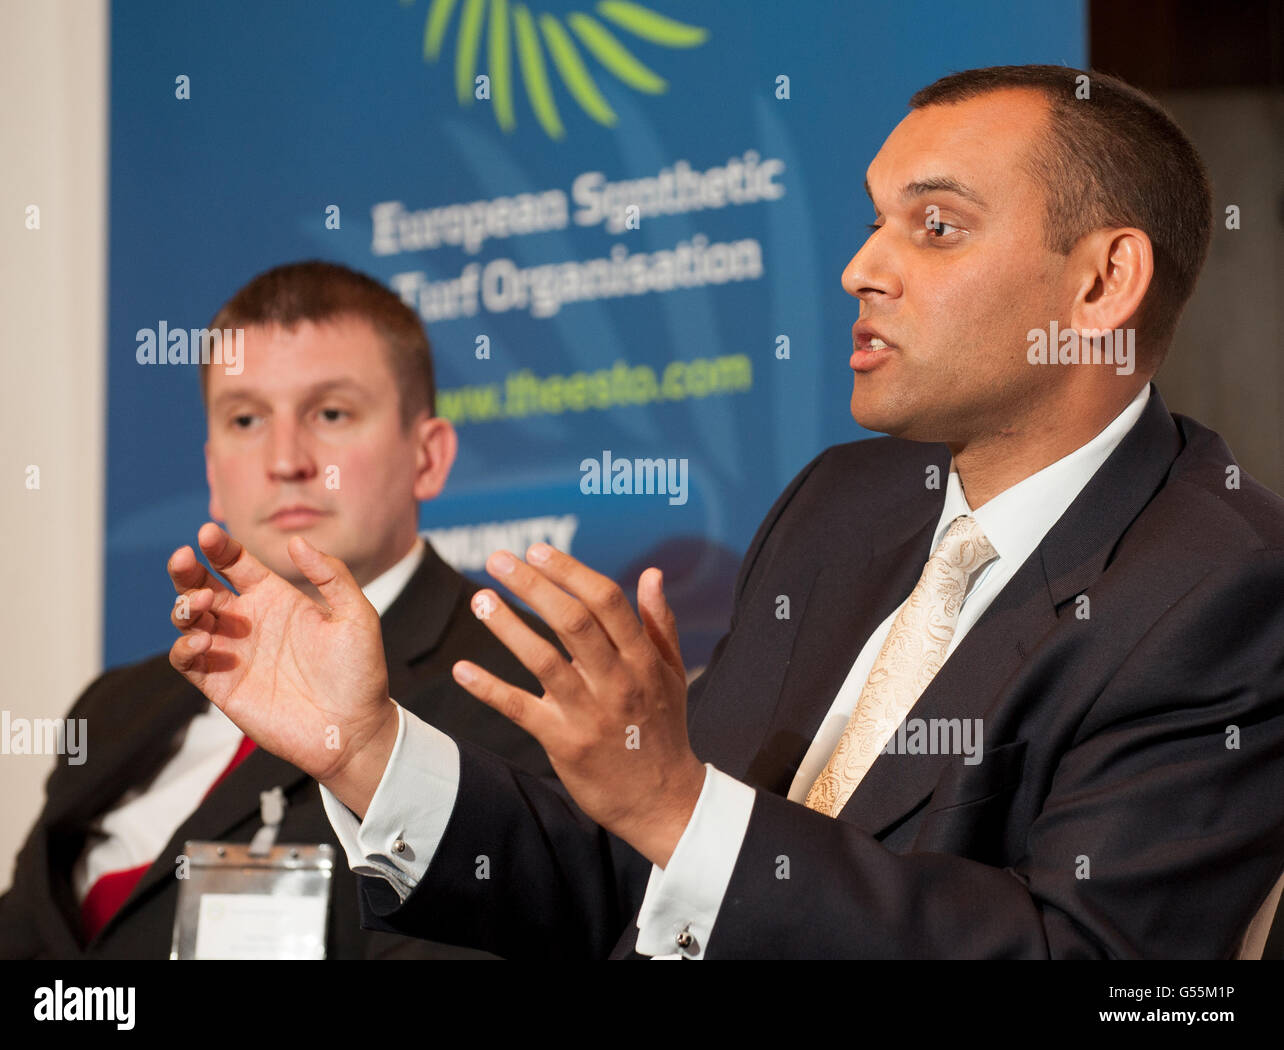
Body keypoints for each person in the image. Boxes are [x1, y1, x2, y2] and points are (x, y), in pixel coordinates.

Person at [165, 67, 1284, 959]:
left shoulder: (1221, 588)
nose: (858, 268)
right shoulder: (840, 505)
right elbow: (626, 878)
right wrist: (367, 752)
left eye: (934, 227)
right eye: (870, 224)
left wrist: (681, 808)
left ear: (1100, 284)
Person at [0, 261, 554, 959]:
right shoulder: (113, 707)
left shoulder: (521, 686)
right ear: (213, 473)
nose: (285, 459)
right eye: (246, 419)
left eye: (332, 413)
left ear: (427, 458)